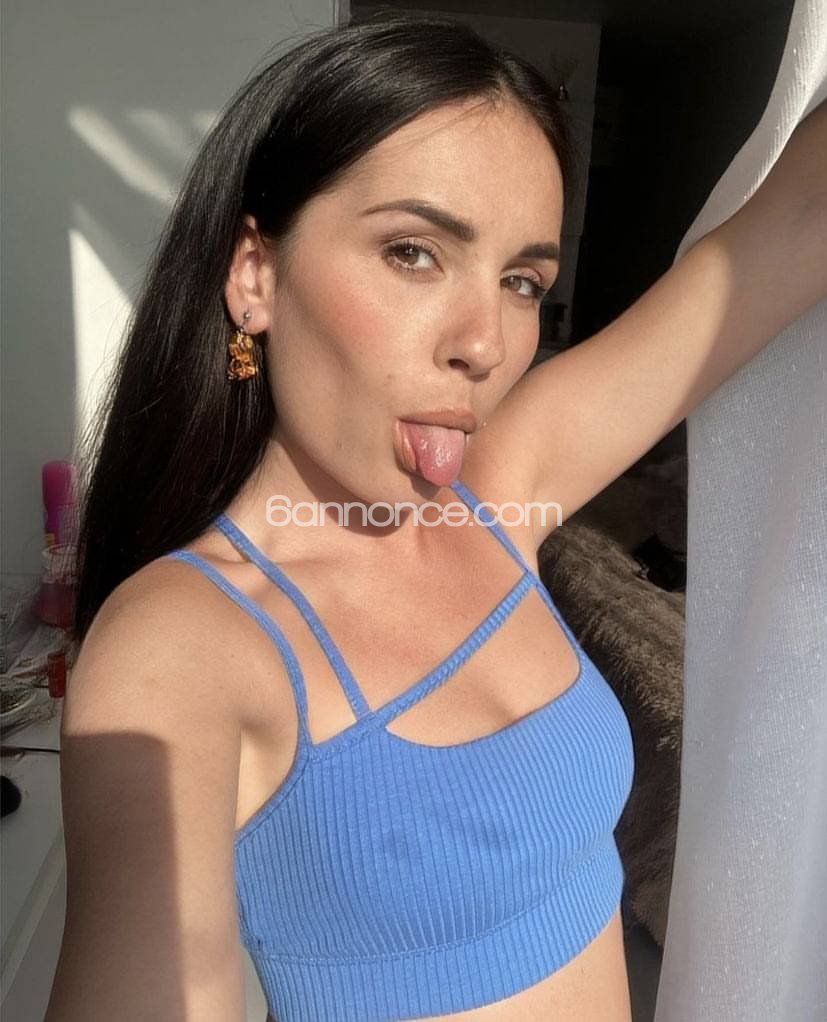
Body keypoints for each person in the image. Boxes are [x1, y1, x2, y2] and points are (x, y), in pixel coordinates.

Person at [44, 15, 827, 1022]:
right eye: (413, 252)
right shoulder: (183, 644)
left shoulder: (498, 496)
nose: (484, 343)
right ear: (255, 275)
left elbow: (797, 223)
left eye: (521, 282)